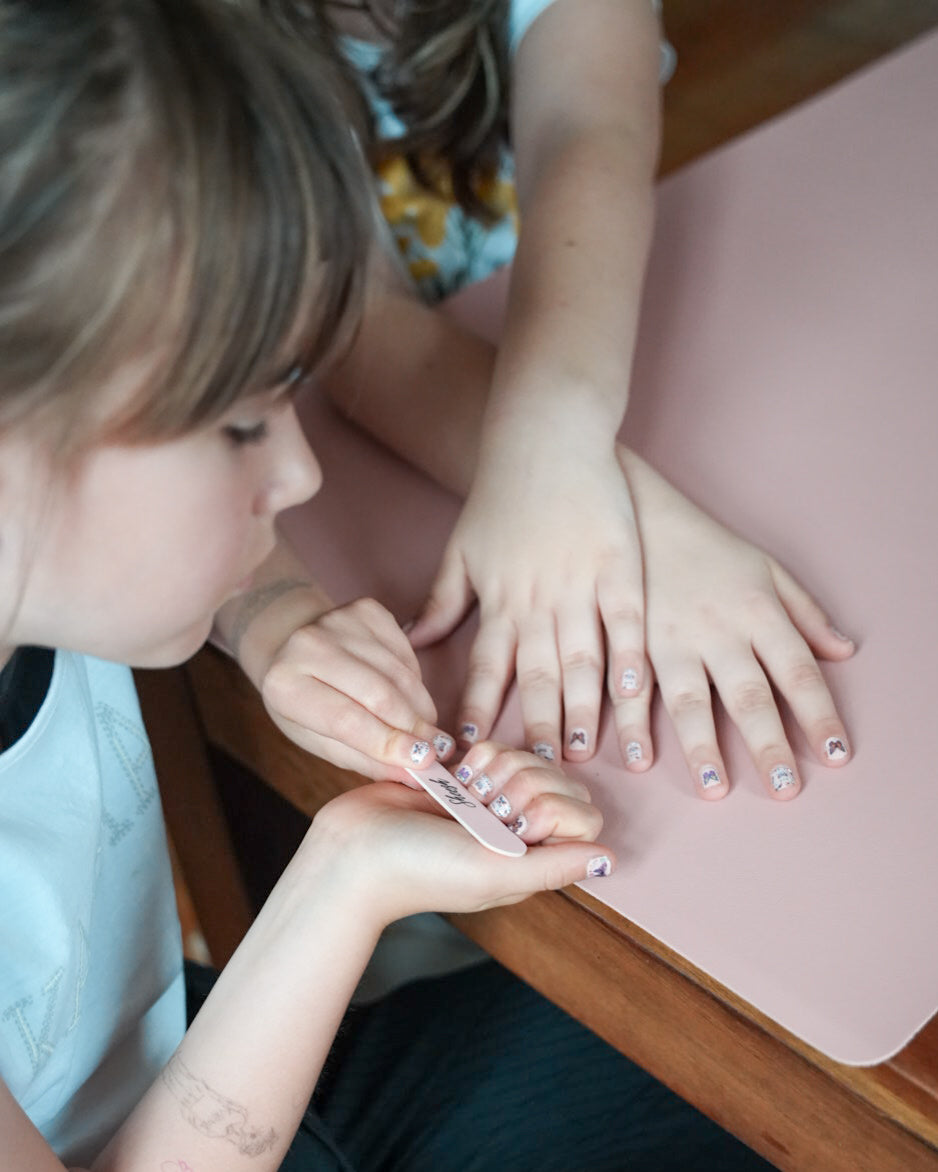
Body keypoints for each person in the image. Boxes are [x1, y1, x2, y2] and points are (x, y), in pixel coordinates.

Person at [0, 2, 775, 1169]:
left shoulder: (39, 576)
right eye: (245, 423)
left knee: (732, 1089)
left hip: (184, 1073)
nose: (299, 469)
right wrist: (342, 884)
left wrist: (276, 617)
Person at [247, 0, 855, 800]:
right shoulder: (205, 44)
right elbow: (359, 323)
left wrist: (554, 453)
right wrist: (601, 497)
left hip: (540, 340)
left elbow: (591, 135)